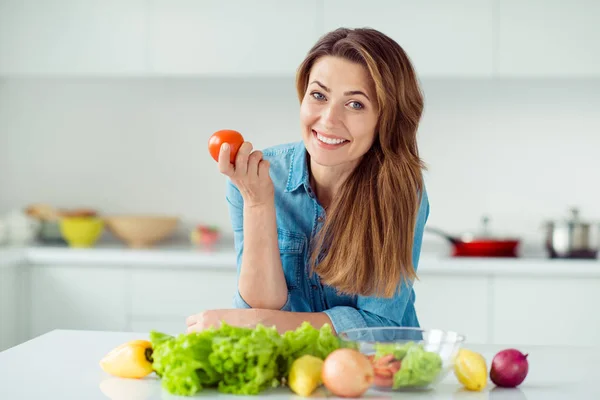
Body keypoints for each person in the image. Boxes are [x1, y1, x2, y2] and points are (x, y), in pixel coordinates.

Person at [186, 27, 429, 336]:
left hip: (374, 375)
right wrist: (258, 202)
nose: (328, 119)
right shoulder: (257, 176)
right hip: (292, 373)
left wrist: (256, 322)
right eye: (319, 95)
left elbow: (380, 328)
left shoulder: (398, 190)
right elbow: (262, 306)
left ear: (387, 119)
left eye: (355, 104)